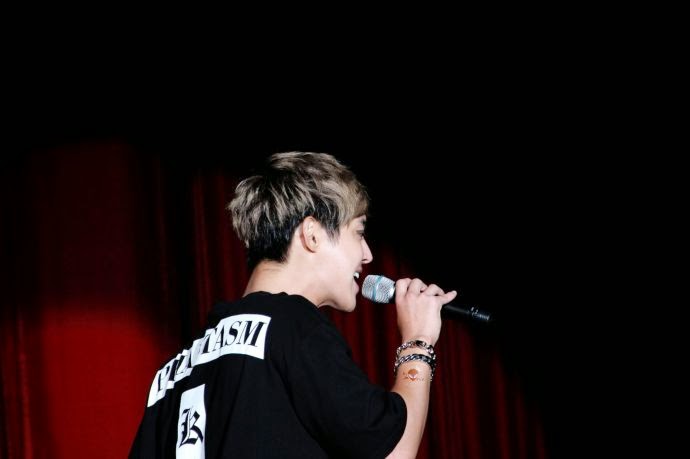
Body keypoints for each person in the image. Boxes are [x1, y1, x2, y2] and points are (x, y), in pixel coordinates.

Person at [129, 152, 457, 458]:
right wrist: (418, 342)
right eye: (358, 232)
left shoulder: (172, 373)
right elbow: (392, 451)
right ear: (312, 234)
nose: (367, 254)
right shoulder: (293, 324)